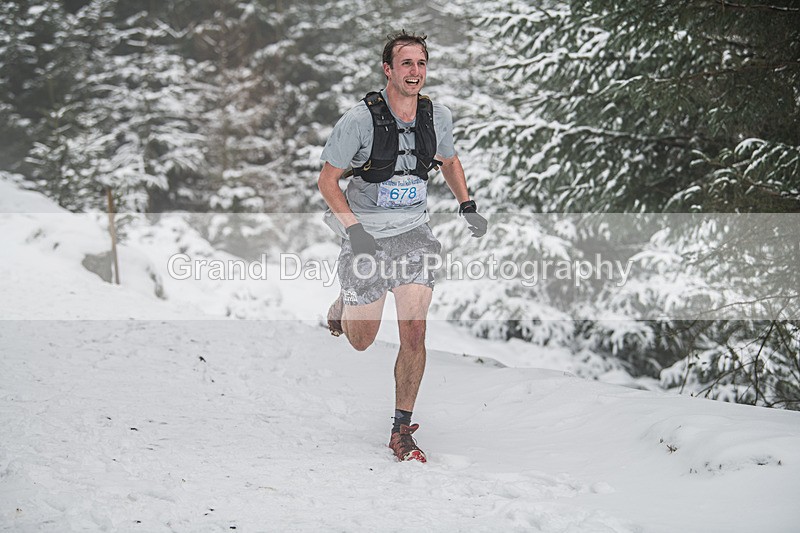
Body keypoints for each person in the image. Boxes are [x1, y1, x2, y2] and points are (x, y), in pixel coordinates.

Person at [317, 30, 487, 463]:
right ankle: (346, 304)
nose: (416, 72)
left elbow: (448, 161)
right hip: (367, 236)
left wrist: (466, 204)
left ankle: (400, 429)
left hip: (414, 233)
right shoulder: (359, 120)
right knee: (361, 340)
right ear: (388, 70)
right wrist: (354, 231)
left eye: (422, 63)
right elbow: (327, 181)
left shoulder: (436, 116)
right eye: (406, 64)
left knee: (414, 330)